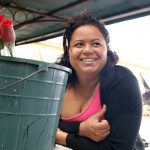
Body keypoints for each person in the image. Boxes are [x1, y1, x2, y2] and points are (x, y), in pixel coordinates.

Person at [55, 10, 144, 150]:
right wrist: (81, 129)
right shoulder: (58, 81)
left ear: (106, 49)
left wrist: (61, 136)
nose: (87, 50)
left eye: (96, 44)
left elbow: (119, 148)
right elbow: (39, 122)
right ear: (68, 50)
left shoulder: (122, 81)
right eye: (79, 44)